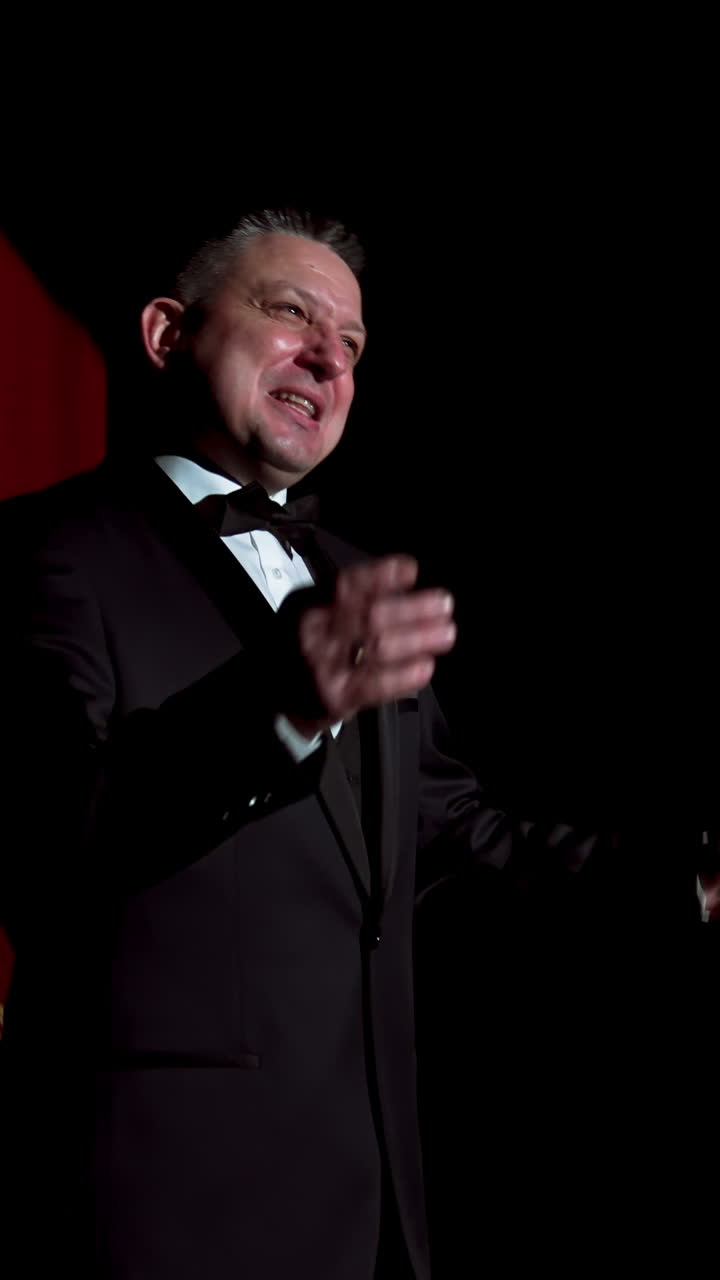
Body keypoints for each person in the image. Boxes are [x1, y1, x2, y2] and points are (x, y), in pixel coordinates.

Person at [1, 209, 609, 1279]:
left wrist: (689, 883)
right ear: (164, 334)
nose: (329, 355)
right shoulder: (49, 551)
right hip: (156, 1213)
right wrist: (284, 698)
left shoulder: (356, 575)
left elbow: (454, 837)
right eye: (290, 312)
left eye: (355, 343)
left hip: (371, 1208)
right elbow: (53, 834)